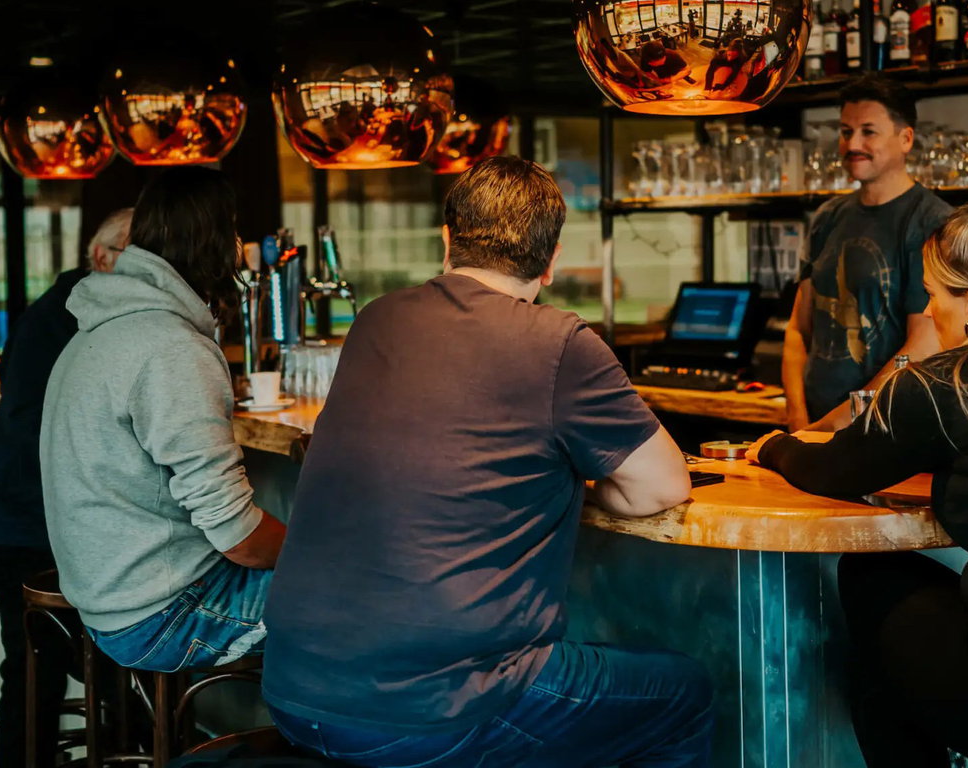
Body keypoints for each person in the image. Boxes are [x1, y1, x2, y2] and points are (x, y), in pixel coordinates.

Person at [263, 156, 713, 768]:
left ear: (446, 240)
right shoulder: (560, 343)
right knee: (684, 695)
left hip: (293, 691)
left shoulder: (376, 319)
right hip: (431, 712)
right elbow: (662, 487)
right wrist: (582, 486)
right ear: (551, 262)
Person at [748, 191, 968, 767]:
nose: (927, 309)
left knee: (871, 582)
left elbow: (831, 470)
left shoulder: (946, 383)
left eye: (934, 294)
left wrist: (773, 446)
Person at [39, 167, 285, 673]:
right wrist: (325, 549)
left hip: (109, 603)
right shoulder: (170, 346)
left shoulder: (96, 331)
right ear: (218, 243)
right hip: (165, 614)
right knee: (369, 590)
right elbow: (237, 536)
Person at [0, 209, 131, 768]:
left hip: (31, 520)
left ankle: (128, 741)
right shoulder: (75, 317)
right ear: (101, 257)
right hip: (30, 524)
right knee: (37, 669)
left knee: (53, 665)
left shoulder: (69, 308)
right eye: (139, 255)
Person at [783, 74, 951, 432]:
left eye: (868, 132)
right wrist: (797, 417)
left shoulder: (931, 222)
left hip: (886, 428)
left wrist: (841, 421)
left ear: (906, 139)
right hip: (814, 425)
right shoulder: (827, 216)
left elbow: (924, 343)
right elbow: (798, 329)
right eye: (846, 132)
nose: (852, 144)